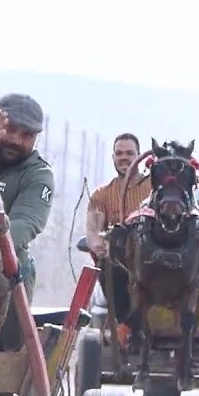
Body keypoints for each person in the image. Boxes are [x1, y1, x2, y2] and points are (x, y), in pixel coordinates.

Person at [0, 93, 56, 351]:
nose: (15, 140)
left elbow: (25, 224)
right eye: (10, 129)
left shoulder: (38, 174)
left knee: (19, 263)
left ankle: (6, 351)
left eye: (26, 136)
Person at [85, 132, 152, 329]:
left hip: (154, 260)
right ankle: (128, 326)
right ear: (113, 157)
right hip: (121, 265)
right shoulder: (101, 195)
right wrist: (102, 246)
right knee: (111, 270)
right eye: (119, 153)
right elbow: (93, 232)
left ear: (140, 156)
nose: (124, 158)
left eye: (130, 153)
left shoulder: (155, 187)